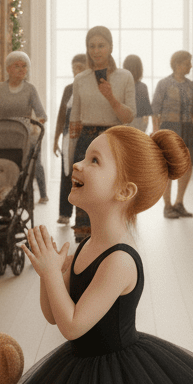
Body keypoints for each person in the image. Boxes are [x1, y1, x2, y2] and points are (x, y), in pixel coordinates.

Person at [12, 125, 193, 384]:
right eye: (83, 156)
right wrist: (49, 273)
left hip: (113, 371)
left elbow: (73, 325)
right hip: (81, 364)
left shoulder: (120, 261)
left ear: (125, 191)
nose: (78, 164)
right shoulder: (84, 247)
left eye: (94, 160)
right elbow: (53, 316)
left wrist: (52, 273)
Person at [68, 27, 136, 238]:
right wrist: (70, 154)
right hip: (86, 139)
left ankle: (111, 233)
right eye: (92, 46)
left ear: (111, 47)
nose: (96, 51)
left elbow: (129, 117)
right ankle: (84, 234)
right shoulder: (80, 79)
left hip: (113, 138)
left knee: (111, 188)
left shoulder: (125, 76)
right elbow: (75, 119)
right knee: (85, 187)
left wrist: (111, 98)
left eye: (101, 45)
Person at [0, 50, 47, 202]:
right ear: (8, 69)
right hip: (2, 135)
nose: (22, 69)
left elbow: (41, 113)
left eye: (24, 66)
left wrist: (38, 122)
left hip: (23, 135)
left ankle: (29, 193)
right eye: (17, 66)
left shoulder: (30, 89)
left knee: (29, 162)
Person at [151, 50, 193, 218]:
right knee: (168, 166)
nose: (190, 66)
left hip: (187, 127)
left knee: (186, 165)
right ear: (177, 64)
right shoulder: (164, 83)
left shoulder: (191, 85)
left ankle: (179, 202)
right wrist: (156, 130)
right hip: (169, 127)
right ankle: (167, 205)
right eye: (187, 63)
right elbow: (155, 109)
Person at [53, 53, 88, 226]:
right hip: (68, 137)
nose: (76, 71)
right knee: (67, 174)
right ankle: (64, 213)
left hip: (85, 138)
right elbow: (61, 114)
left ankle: (83, 217)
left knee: (82, 176)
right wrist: (55, 139)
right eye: (74, 68)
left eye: (80, 68)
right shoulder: (68, 89)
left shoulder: (91, 88)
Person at [123, 54, 152, 132]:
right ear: (140, 69)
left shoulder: (122, 86)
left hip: (124, 121)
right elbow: (146, 114)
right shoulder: (143, 87)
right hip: (138, 123)